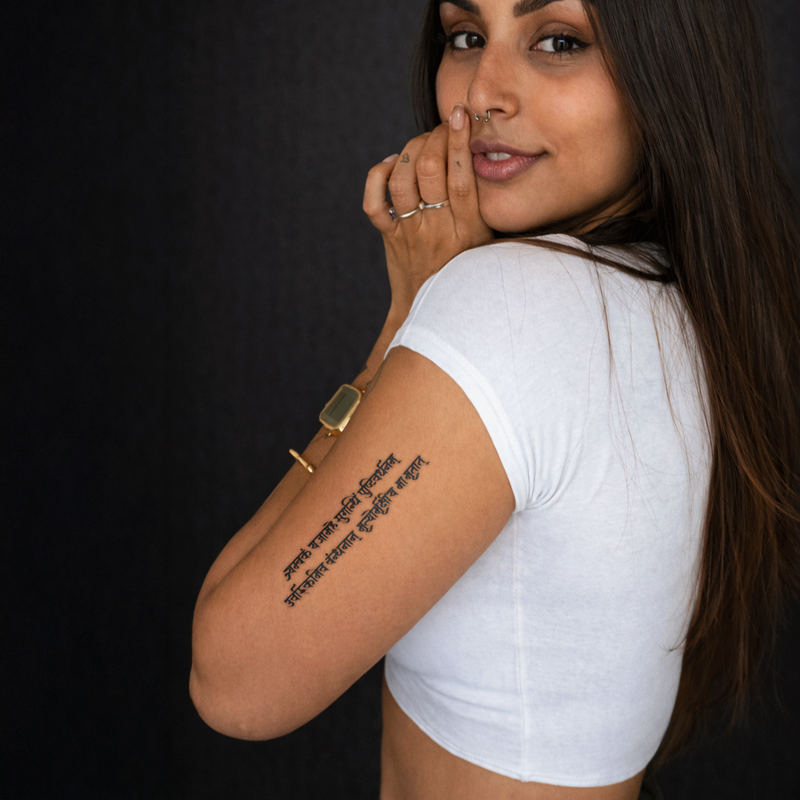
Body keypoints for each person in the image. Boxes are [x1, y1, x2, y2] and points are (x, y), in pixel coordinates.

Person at [189, 0, 800, 797]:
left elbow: (234, 682)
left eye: (558, 41)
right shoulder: (679, 305)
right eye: (466, 37)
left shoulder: (512, 308)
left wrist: (403, 328)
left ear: (670, 69)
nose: (481, 93)